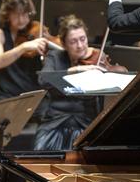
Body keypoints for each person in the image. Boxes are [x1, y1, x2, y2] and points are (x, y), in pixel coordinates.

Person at [34, 15, 101, 151]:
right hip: (55, 122)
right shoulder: (55, 57)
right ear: (64, 44)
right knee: (40, 153)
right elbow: (43, 80)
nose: (80, 45)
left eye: (83, 39)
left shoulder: (97, 58)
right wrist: (75, 70)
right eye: (73, 42)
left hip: (85, 123)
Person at [0, 0, 46, 101]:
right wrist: (23, 47)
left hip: (31, 93)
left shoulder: (36, 32)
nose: (21, 20)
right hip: (5, 94)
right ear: (7, 14)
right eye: (16, 15)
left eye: (25, 14)